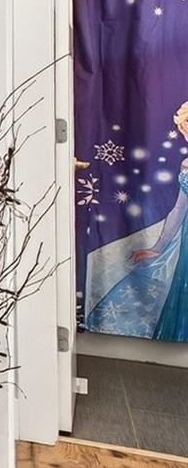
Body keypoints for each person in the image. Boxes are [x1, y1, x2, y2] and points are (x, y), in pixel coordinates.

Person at [86, 100, 188, 342]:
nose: (186, 132)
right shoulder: (186, 165)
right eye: (185, 126)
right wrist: (157, 247)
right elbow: (178, 210)